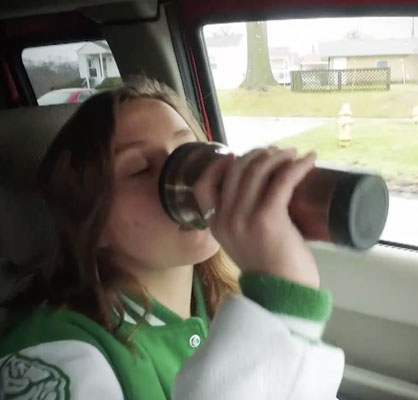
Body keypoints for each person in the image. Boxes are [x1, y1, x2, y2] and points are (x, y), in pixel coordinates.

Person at [0, 77, 344, 399]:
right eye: (139, 169)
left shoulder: (223, 303)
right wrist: (281, 308)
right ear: (91, 218)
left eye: (190, 154)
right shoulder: (53, 356)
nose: (191, 182)